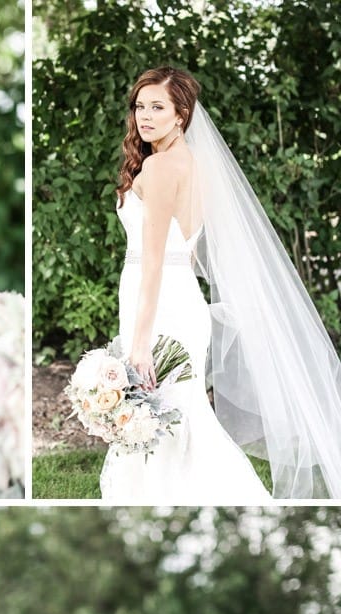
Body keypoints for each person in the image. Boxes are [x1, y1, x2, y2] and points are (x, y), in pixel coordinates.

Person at [99, 65, 341, 503]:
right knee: (176, 410)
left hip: (156, 301)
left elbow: (154, 260)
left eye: (158, 107)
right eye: (140, 106)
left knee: (162, 405)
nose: (145, 116)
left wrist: (139, 341)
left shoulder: (157, 168)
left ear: (182, 114)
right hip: (180, 297)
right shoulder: (193, 164)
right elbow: (186, 252)